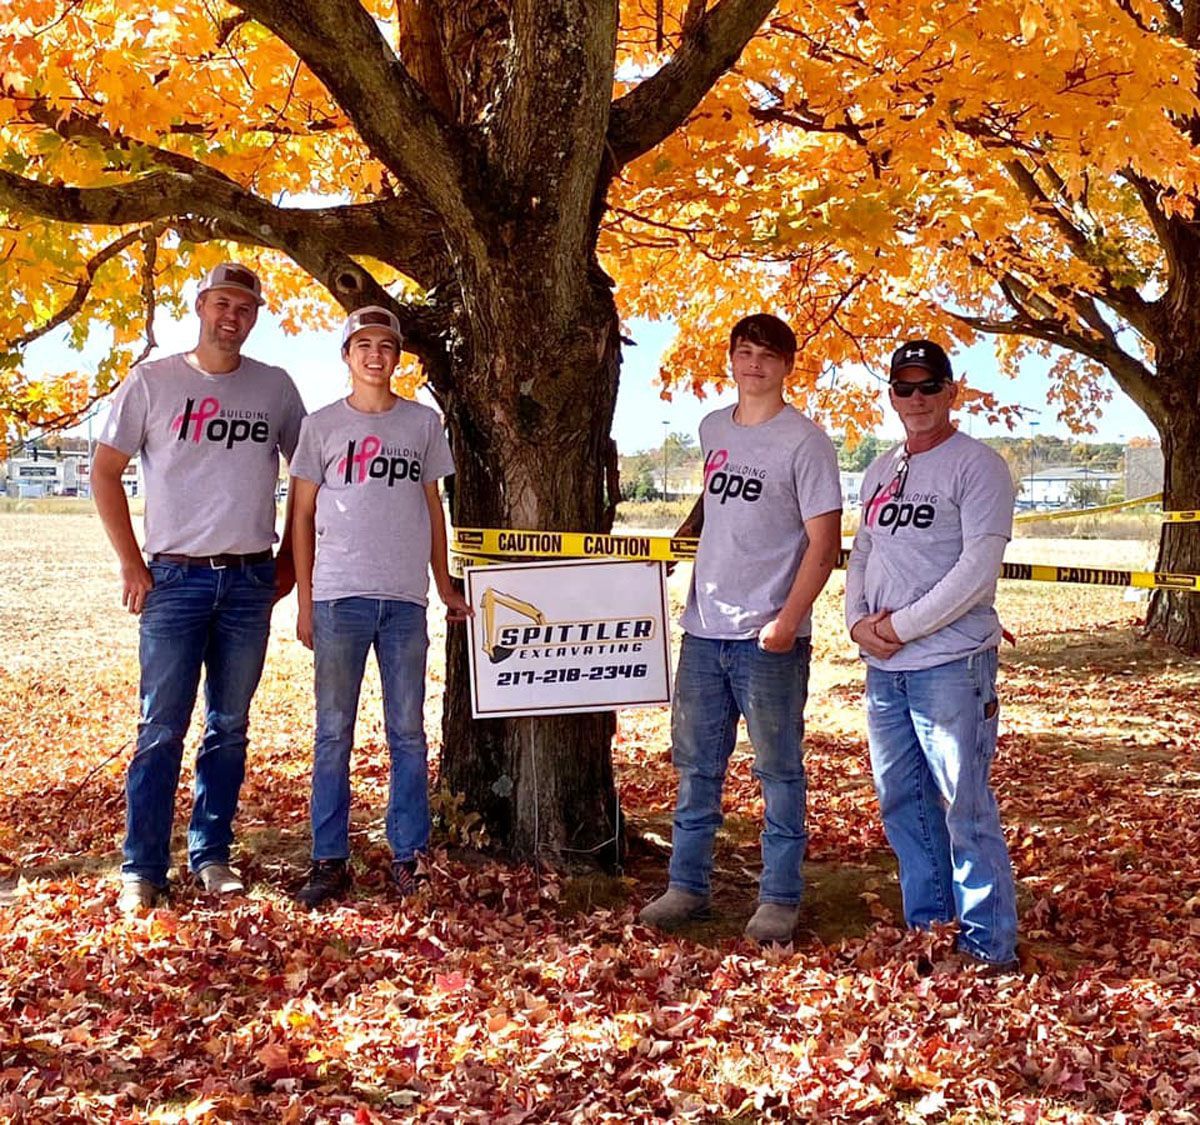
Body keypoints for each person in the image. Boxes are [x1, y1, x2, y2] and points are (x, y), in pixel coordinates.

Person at [93, 262, 306, 913]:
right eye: (222, 302)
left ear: (256, 315)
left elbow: (310, 475)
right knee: (160, 728)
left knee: (230, 726)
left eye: (245, 306)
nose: (231, 315)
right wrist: (132, 564)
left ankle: (211, 854)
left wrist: (291, 563)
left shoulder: (274, 388)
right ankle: (143, 867)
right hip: (174, 579)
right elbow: (104, 472)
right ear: (199, 304)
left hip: (248, 580)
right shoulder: (153, 381)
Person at [639, 314, 842, 944]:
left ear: (787, 366)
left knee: (778, 771)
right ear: (730, 359)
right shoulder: (712, 428)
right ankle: (686, 886)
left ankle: (779, 896)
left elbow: (825, 542)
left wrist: (787, 621)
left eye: (767, 355)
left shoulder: (805, 443)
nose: (754, 364)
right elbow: (715, 504)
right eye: (744, 352)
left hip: (769, 638)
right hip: (704, 630)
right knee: (697, 766)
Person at [289, 306, 471, 909]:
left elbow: (434, 509)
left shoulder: (421, 424)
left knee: (408, 734)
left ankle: (408, 856)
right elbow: (303, 516)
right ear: (347, 356)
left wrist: (443, 584)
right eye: (362, 345)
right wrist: (306, 599)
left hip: (404, 603)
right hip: (339, 598)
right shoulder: (319, 428)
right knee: (333, 733)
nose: (375, 355)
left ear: (398, 357)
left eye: (385, 346)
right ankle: (328, 858)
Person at [846, 339, 1019, 970]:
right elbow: (864, 548)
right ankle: (929, 928)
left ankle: (987, 950)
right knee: (903, 802)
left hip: (951, 663)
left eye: (928, 387)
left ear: (952, 392)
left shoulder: (978, 467)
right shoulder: (881, 467)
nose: (916, 399)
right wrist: (857, 623)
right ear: (891, 396)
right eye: (904, 388)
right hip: (885, 669)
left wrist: (905, 626)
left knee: (964, 806)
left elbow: (977, 569)